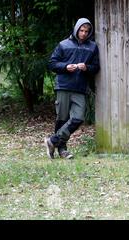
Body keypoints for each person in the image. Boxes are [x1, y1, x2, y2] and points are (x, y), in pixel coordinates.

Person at [45, 18, 100, 159]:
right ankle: (62, 150)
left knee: (78, 118)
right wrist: (65, 67)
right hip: (63, 86)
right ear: (76, 29)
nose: (83, 33)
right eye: (81, 30)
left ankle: (53, 141)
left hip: (80, 88)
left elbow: (96, 68)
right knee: (62, 119)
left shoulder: (92, 47)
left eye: (86, 31)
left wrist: (86, 67)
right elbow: (52, 64)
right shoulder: (63, 45)